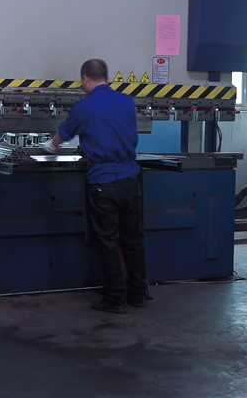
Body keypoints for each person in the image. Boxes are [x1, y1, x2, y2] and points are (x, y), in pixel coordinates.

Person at [44, 59, 147, 314]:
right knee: (133, 239)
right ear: (108, 78)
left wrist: (50, 146)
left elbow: (63, 135)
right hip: (131, 179)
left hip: (103, 182)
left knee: (108, 241)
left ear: (85, 79)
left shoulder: (84, 107)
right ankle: (138, 294)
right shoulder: (127, 102)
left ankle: (115, 299)